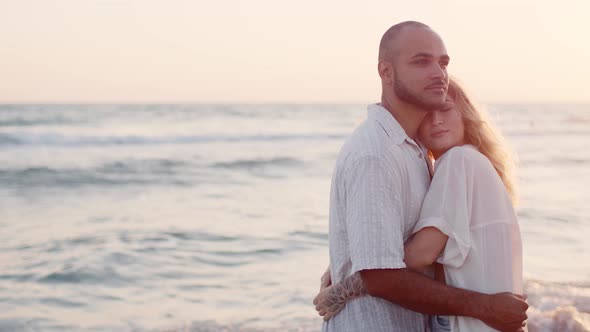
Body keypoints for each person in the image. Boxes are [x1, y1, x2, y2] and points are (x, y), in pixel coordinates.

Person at [314, 20, 528, 332]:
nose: (438, 72)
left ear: (465, 116)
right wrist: (351, 261)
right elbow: (383, 273)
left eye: (443, 63)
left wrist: (348, 273)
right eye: (421, 61)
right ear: (385, 72)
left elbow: (411, 256)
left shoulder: (445, 161)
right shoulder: (378, 153)